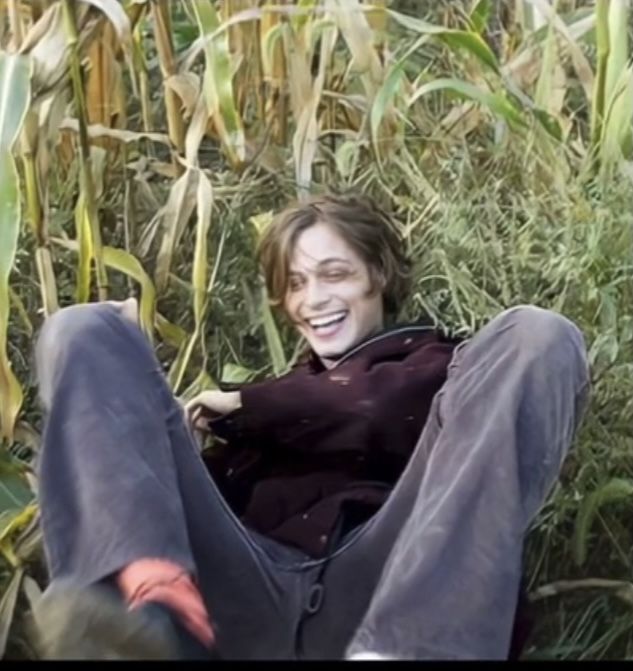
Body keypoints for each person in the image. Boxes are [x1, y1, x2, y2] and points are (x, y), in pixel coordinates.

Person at [30, 193, 590, 660]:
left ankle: (412, 653)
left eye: (334, 274)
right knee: (88, 331)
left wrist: (248, 406)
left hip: (385, 591)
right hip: (244, 601)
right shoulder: (254, 423)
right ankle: (146, 609)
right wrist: (143, 421)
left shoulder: (447, 368)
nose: (313, 299)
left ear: (380, 274)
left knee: (539, 334)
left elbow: (378, 409)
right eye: (296, 283)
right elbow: (204, 516)